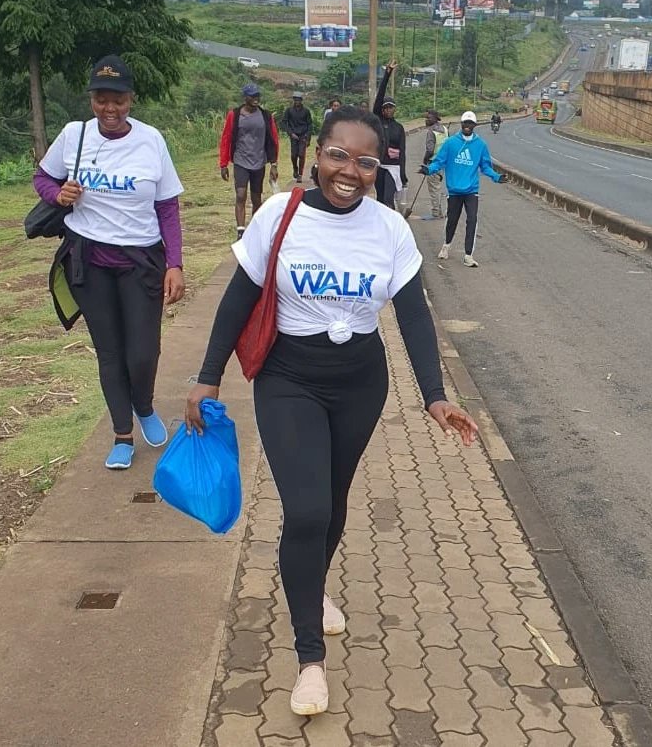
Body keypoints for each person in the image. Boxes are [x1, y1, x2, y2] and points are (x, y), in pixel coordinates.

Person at [185, 105, 478, 717]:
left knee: (333, 499)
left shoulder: (389, 229)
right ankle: (310, 660)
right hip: (288, 379)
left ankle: (311, 587)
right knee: (307, 509)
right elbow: (237, 299)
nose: (350, 171)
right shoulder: (279, 214)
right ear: (317, 154)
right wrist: (207, 378)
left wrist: (434, 395)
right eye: (338, 156)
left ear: (378, 167)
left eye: (365, 162)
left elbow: (414, 316)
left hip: (360, 383)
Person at [33, 54, 185, 470]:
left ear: (131, 99)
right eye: (101, 99)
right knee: (110, 351)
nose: (110, 108)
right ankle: (122, 434)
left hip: (142, 260)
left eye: (118, 99)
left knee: (143, 352)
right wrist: (57, 194)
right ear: (92, 100)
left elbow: (167, 207)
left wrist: (175, 263)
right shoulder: (74, 135)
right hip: (88, 260)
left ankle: (144, 405)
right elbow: (43, 178)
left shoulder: (151, 140)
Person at [420, 110, 508, 268]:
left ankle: (468, 255)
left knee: (472, 220)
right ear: (461, 124)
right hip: (454, 190)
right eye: (465, 123)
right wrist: (429, 169)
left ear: (474, 125)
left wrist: (496, 177)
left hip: (471, 191)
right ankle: (446, 245)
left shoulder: (480, 145)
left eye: (470, 123)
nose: (467, 126)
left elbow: (485, 166)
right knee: (452, 220)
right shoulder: (450, 143)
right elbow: (439, 161)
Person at [219, 82, 279, 239]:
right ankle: (240, 231)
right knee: (240, 194)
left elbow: (273, 140)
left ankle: (254, 229)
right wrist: (223, 164)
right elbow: (226, 138)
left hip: (259, 161)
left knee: (256, 198)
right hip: (241, 160)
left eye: (257, 95)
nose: (256, 99)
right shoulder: (235, 115)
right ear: (245, 97)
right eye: (252, 96)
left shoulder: (266, 116)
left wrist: (274, 164)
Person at [372, 61, 407, 209]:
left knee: (388, 199)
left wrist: (403, 173)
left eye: (391, 107)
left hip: (393, 168)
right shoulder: (378, 121)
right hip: (379, 165)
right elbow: (380, 96)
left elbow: (402, 152)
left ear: (395, 109)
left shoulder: (399, 128)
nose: (388, 110)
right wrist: (387, 73)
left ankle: (391, 219)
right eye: (385, 108)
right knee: (380, 198)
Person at [281, 92, 313, 184]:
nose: (297, 101)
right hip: (293, 135)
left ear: (301, 101)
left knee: (301, 155)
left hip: (303, 135)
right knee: (294, 155)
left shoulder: (306, 111)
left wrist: (308, 138)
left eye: (298, 100)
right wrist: (290, 133)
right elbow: (284, 122)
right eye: (295, 100)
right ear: (293, 100)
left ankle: (300, 174)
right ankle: (295, 168)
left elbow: (310, 124)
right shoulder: (289, 110)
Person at [422, 109, 448, 219]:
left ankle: (436, 212)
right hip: (443, 162)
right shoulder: (445, 129)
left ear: (435, 119)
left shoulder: (431, 132)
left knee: (433, 187)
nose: (426, 120)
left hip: (433, 162)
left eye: (429, 118)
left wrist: (425, 160)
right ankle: (440, 211)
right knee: (438, 186)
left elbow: (430, 150)